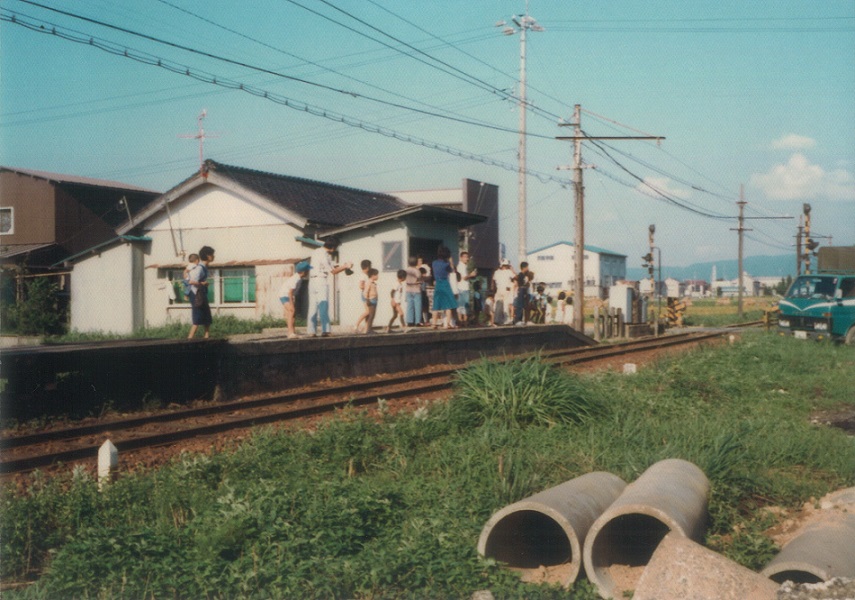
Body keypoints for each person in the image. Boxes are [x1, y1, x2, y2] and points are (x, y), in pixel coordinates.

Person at [308, 237, 352, 337]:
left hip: (312, 280)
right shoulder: (325, 254)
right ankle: (326, 330)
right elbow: (333, 271)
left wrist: (342, 265)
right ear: (332, 247)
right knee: (323, 305)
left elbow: (330, 266)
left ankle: (311, 331)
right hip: (320, 280)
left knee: (312, 307)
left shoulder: (316, 251)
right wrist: (345, 267)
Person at [187, 246, 215, 339]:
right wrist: (203, 283)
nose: (213, 256)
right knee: (197, 314)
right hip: (195, 293)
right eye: (212, 254)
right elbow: (191, 281)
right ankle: (190, 338)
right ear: (208, 256)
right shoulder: (199, 268)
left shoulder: (205, 267)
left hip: (201, 292)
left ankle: (206, 335)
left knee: (206, 312)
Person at [279, 260, 311, 338]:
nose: (308, 272)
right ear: (304, 272)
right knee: (291, 312)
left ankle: (292, 332)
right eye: (307, 270)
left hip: (286, 295)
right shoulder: (296, 279)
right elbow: (290, 292)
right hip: (285, 295)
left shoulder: (298, 277)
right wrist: (291, 303)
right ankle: (290, 333)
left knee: (292, 314)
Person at [431, 245, 457, 329]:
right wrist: (451, 261)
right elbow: (452, 270)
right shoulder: (446, 264)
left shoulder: (434, 263)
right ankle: (447, 324)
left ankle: (434, 324)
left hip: (437, 284)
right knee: (448, 304)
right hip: (445, 283)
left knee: (436, 304)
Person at [492, 258, 515, 325]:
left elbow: (493, 281)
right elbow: (516, 277)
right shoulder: (509, 272)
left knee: (498, 305)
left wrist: (494, 290)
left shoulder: (496, 272)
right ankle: (506, 320)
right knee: (505, 305)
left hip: (498, 290)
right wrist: (512, 270)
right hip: (506, 290)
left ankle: (496, 320)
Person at [456, 251, 477, 327]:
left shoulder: (464, 266)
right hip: (462, 287)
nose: (467, 259)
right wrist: (471, 275)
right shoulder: (461, 266)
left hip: (464, 287)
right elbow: (464, 277)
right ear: (461, 257)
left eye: (467, 257)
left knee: (463, 305)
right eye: (465, 257)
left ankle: (463, 321)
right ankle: (462, 321)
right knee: (463, 305)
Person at [354, 259, 373, 333]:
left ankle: (367, 328)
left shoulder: (365, 275)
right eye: (370, 267)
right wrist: (368, 287)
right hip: (365, 294)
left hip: (367, 294)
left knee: (369, 312)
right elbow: (361, 286)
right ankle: (356, 325)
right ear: (367, 267)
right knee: (368, 312)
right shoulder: (363, 275)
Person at [404, 256, 423, 327]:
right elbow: (419, 278)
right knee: (418, 305)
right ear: (416, 263)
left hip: (408, 289)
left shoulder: (406, 270)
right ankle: (418, 321)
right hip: (416, 289)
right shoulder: (417, 271)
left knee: (410, 305)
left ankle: (409, 321)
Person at [363, 268, 379, 334]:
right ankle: (368, 330)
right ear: (372, 275)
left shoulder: (373, 283)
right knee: (371, 315)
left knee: (373, 315)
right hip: (371, 300)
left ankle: (369, 328)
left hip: (374, 300)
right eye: (376, 275)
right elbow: (366, 292)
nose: (378, 276)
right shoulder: (369, 282)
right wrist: (367, 300)